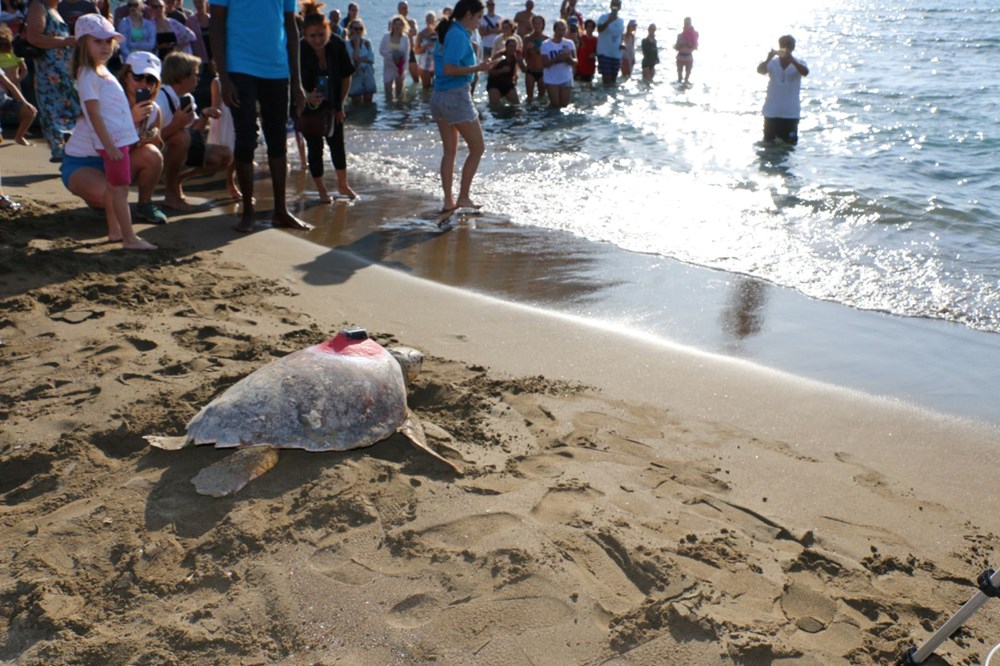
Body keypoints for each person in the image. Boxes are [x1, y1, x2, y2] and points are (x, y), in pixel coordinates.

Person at [211, 0, 310, 233]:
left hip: (277, 69)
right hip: (240, 67)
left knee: (278, 141)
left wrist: (297, 81)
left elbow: (290, 27)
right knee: (246, 139)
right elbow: (216, 24)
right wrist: (224, 78)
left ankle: (281, 211)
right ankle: (248, 212)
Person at [64, 14, 155, 248]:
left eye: (108, 41)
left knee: (118, 190)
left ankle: (116, 232)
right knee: (119, 191)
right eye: (98, 41)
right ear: (84, 43)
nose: (105, 46)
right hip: (110, 144)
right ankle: (129, 237)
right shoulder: (88, 74)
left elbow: (112, 112)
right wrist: (110, 144)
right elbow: (93, 113)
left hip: (116, 142)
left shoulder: (101, 71)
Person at [430, 0, 495, 213]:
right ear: (468, 14)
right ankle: (463, 196)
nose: (479, 22)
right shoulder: (457, 34)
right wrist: (480, 67)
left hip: (439, 96)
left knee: (449, 152)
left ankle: (449, 201)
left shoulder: (451, 30)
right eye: (478, 17)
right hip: (454, 96)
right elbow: (449, 69)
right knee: (477, 148)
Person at [155, 51, 230, 210]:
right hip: (155, 156)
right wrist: (175, 126)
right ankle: (170, 194)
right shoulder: (158, 99)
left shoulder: (187, 98)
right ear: (182, 77)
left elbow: (194, 134)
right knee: (180, 137)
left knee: (224, 155)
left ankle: (177, 180)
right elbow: (145, 141)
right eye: (195, 74)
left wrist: (204, 115)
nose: (198, 78)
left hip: (176, 152)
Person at [298, 1, 354, 201]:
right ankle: (322, 190)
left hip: (333, 104)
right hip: (308, 106)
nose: (318, 40)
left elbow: (347, 75)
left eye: (322, 34)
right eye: (312, 35)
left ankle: (343, 185)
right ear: (305, 33)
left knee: (338, 144)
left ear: (328, 30)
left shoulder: (337, 44)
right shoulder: (300, 49)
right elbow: (290, 79)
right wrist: (306, 97)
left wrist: (340, 103)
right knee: (315, 147)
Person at [117, 50, 168, 223]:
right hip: (100, 165)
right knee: (104, 199)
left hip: (126, 165)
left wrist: (149, 137)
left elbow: (153, 152)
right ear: (126, 76)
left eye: (151, 79)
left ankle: (145, 203)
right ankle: (105, 201)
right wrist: (131, 121)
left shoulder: (154, 112)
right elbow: (105, 147)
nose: (144, 84)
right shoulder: (112, 103)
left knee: (152, 153)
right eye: (138, 77)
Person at [25, 0, 79, 161]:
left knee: (72, 109)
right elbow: (34, 38)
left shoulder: (54, 9)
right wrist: (64, 41)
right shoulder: (39, 6)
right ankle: (60, 151)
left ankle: (69, 151)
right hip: (50, 74)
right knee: (54, 111)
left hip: (63, 73)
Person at [757, 34, 808, 145]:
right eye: (783, 45)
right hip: (771, 112)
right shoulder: (772, 62)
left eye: (789, 45)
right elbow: (760, 71)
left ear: (793, 47)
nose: (786, 47)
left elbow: (805, 72)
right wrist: (769, 57)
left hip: (791, 114)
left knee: (789, 147)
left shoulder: (799, 62)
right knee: (768, 145)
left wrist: (792, 60)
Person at [0, 23, 35, 144]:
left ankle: (20, 135)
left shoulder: (16, 55)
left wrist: (18, 80)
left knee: (28, 110)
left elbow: (23, 71)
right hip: (3, 89)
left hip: (12, 88)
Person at [541, 18, 573, 109]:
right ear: (554, 30)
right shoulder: (546, 44)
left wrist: (567, 58)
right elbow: (545, 64)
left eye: (563, 30)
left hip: (565, 77)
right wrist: (557, 58)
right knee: (555, 105)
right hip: (551, 78)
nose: (561, 32)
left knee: (564, 106)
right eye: (559, 29)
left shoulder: (569, 43)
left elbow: (574, 61)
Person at [379, 14, 408, 101]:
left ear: (403, 26)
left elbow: (407, 54)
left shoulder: (405, 38)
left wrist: (403, 69)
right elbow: (381, 50)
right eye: (395, 24)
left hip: (400, 67)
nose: (397, 26)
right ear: (392, 25)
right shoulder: (386, 36)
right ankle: (389, 111)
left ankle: (398, 111)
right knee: (388, 92)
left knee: (399, 94)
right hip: (388, 66)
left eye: (400, 24)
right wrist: (391, 56)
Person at [345, 17, 374, 104]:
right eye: (356, 29)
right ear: (351, 30)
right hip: (355, 73)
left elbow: (371, 59)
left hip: (367, 72)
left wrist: (360, 59)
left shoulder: (367, 43)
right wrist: (357, 45)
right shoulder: (347, 44)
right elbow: (353, 58)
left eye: (360, 28)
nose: (358, 31)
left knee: (368, 99)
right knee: (356, 100)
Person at [595, 0, 623, 85]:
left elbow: (621, 35)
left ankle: (613, 98)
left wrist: (623, 43)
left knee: (614, 82)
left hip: (616, 54)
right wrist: (609, 21)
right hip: (605, 53)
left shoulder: (621, 21)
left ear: (620, 7)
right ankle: (603, 97)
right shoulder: (603, 17)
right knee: (606, 81)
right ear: (610, 5)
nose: (616, 6)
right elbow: (599, 30)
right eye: (614, 4)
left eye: (618, 4)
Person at [485, 34, 517, 105]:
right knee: (495, 106)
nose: (512, 48)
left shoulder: (515, 57)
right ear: (506, 47)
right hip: (495, 83)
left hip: (507, 84)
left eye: (514, 47)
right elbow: (489, 71)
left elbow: (518, 72)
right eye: (510, 46)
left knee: (516, 105)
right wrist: (501, 70)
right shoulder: (499, 56)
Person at [520, 14, 544, 102]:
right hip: (530, 70)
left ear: (542, 25)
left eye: (539, 23)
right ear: (532, 24)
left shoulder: (546, 39)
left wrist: (535, 49)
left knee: (542, 97)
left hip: (542, 71)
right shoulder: (527, 38)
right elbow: (523, 55)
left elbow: (546, 56)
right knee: (529, 97)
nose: (537, 25)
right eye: (535, 23)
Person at [413, 10, 436, 89]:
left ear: (435, 20)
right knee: (426, 88)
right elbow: (416, 51)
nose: (430, 21)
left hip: (437, 63)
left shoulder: (439, 32)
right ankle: (424, 101)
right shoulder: (421, 34)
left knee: (437, 88)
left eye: (431, 19)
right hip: (425, 64)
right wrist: (426, 45)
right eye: (428, 19)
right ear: (425, 21)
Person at [673, 16, 697, 83]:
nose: (686, 25)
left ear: (690, 24)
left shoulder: (694, 35)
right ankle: (680, 87)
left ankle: (685, 88)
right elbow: (676, 47)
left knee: (687, 79)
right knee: (679, 78)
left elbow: (695, 47)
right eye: (685, 23)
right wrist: (680, 44)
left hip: (689, 57)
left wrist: (689, 43)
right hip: (680, 57)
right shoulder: (680, 35)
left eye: (688, 23)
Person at [574, 17, 595, 82]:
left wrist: (594, 54)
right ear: (585, 27)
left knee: (588, 88)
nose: (590, 28)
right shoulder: (581, 39)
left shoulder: (596, 40)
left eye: (592, 27)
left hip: (590, 68)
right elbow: (575, 52)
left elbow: (598, 51)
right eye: (588, 26)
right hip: (579, 68)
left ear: (594, 28)